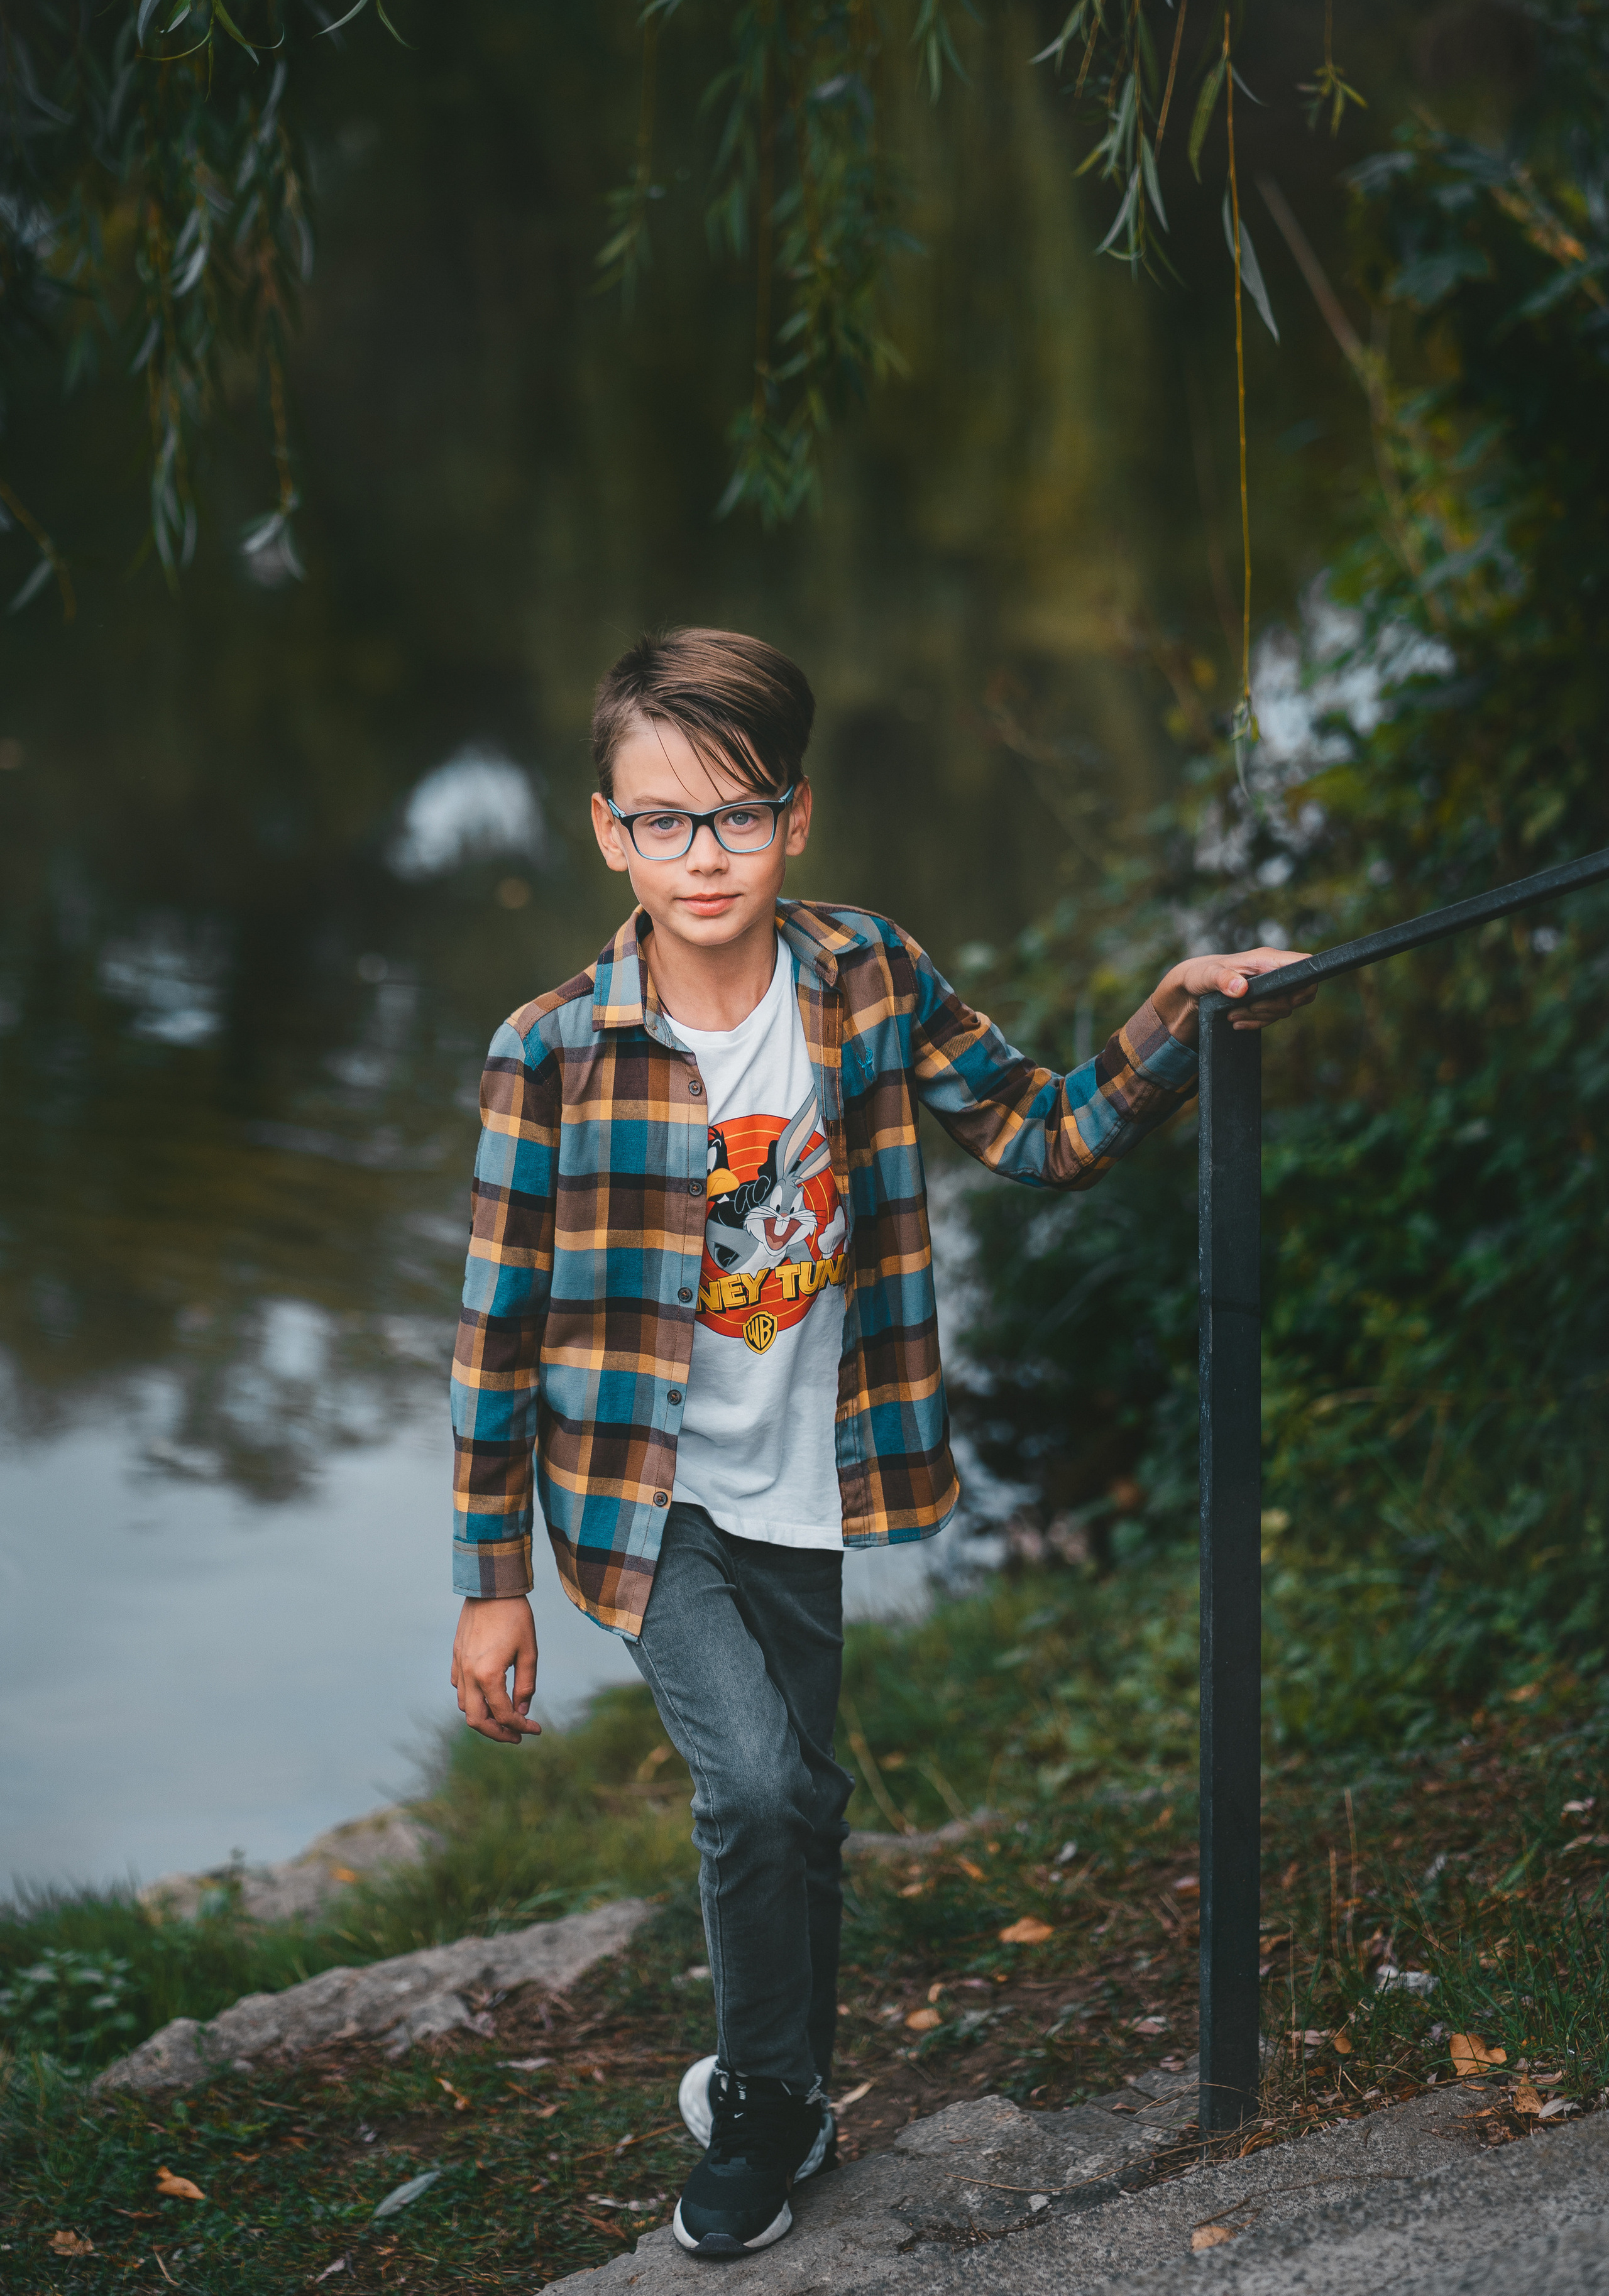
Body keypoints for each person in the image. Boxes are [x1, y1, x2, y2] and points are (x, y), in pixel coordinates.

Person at [447, 627, 1313, 2259]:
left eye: (738, 815)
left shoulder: (869, 976)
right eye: (663, 820)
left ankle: (785, 2089)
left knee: (809, 1805)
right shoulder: (548, 1052)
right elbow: (496, 1333)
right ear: (607, 832)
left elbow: (1042, 1133)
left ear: (798, 815)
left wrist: (1178, 1017)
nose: (705, 856)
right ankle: (762, 2110)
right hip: (639, 1496)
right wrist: (491, 1582)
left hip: (810, 1472)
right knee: (757, 1787)